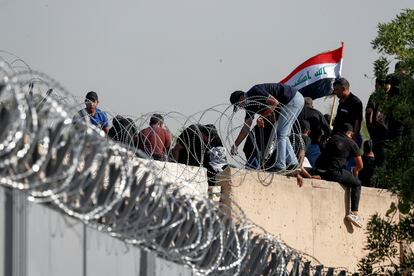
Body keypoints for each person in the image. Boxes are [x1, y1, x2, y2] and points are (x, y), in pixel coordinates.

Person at [229, 83, 304, 171]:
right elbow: (246, 128)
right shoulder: (250, 107)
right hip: (293, 101)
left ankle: (280, 165)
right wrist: (236, 145)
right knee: (282, 134)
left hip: (292, 99)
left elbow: (274, 103)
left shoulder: (255, 91)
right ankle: (293, 163)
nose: (240, 107)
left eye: (239, 105)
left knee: (281, 134)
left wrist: (261, 117)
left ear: (241, 98)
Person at [315, 123, 363, 228]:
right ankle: (354, 213)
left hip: (320, 169)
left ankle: (319, 176)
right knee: (357, 184)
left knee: (332, 170)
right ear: (350, 134)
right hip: (334, 172)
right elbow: (360, 165)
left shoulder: (333, 138)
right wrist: (355, 170)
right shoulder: (352, 143)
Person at [297, 97, 331, 168]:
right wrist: (323, 138)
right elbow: (327, 130)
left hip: (297, 142)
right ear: (312, 105)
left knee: (294, 164)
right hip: (313, 144)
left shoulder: (296, 111)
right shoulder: (317, 113)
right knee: (315, 166)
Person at [332, 78, 363, 145]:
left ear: (343, 89)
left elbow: (358, 121)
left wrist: (354, 138)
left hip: (349, 139)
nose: (335, 92)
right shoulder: (341, 101)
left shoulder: (355, 102)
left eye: (336, 89)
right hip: (339, 137)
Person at [365, 78, 388, 167]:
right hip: (387, 133)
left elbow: (368, 112)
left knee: (377, 160)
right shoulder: (392, 97)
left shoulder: (374, 96)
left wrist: (369, 126)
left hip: (376, 133)